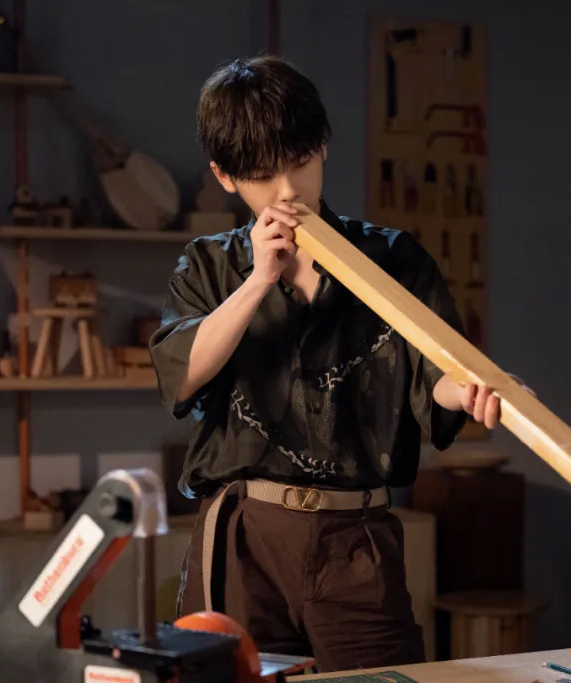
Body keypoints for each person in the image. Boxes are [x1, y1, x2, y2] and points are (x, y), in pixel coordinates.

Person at [149, 55, 530, 672]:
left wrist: (471, 390)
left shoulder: (394, 259)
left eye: (300, 161)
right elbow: (182, 374)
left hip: (356, 537)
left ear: (323, 147)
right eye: (262, 174)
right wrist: (258, 280)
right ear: (225, 177)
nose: (286, 191)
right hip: (245, 535)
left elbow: (434, 375)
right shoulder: (208, 266)